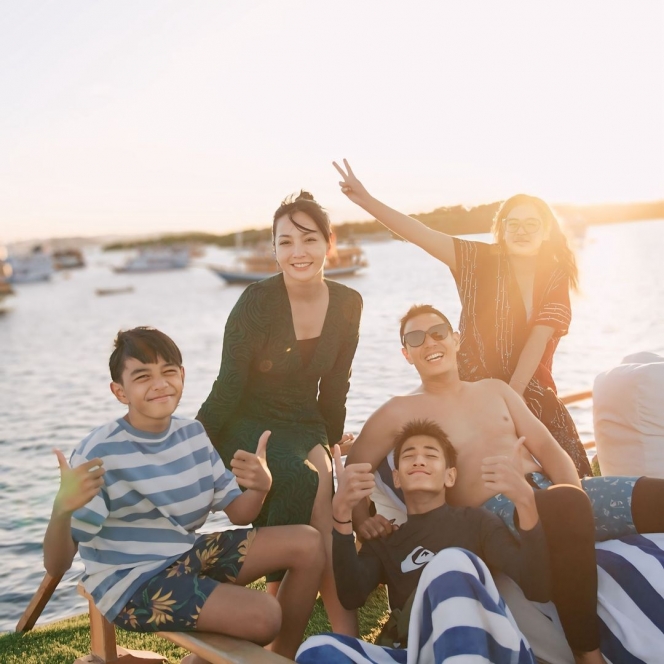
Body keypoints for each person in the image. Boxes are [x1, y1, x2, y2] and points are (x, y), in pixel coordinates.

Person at [347, 304, 664, 664]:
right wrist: (361, 520)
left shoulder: (494, 390)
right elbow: (355, 467)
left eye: (438, 332)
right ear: (406, 354)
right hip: (499, 512)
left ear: (456, 340)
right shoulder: (398, 411)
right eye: (415, 338)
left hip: (554, 493)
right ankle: (587, 657)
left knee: (653, 496)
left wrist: (578, 497)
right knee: (566, 506)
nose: (429, 342)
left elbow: (548, 448)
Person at [42, 327, 325, 661]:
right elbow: (57, 564)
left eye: (168, 372)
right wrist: (62, 510)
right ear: (120, 391)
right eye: (143, 376)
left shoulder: (191, 434)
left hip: (184, 553)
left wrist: (261, 488)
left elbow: (239, 513)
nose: (160, 383)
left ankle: (282, 657)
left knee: (308, 542)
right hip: (131, 583)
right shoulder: (100, 453)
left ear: (182, 376)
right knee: (264, 616)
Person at [333, 159, 591, 477]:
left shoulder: (554, 275)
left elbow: (538, 340)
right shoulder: (478, 260)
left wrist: (511, 404)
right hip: (470, 389)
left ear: (545, 231)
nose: (522, 231)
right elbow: (421, 234)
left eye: (531, 224)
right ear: (502, 229)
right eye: (513, 224)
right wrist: (366, 200)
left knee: (570, 478)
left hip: (528, 394)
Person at [197, 191, 363, 634]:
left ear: (329, 242)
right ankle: (285, 632)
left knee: (324, 484)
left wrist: (332, 440)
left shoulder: (349, 303)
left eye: (308, 239)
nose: (297, 252)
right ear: (273, 248)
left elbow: (337, 383)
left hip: (305, 418)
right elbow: (227, 386)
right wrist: (192, 446)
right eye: (284, 242)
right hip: (248, 420)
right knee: (301, 481)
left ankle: (342, 638)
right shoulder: (255, 301)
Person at [296, 421, 548, 664]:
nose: (418, 460)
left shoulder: (477, 522)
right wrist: (341, 516)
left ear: (450, 476)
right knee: (317, 648)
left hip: (486, 647)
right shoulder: (387, 540)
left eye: (431, 455)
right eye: (408, 456)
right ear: (396, 478)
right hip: (417, 652)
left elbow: (537, 586)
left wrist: (525, 501)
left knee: (449, 563)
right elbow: (351, 596)